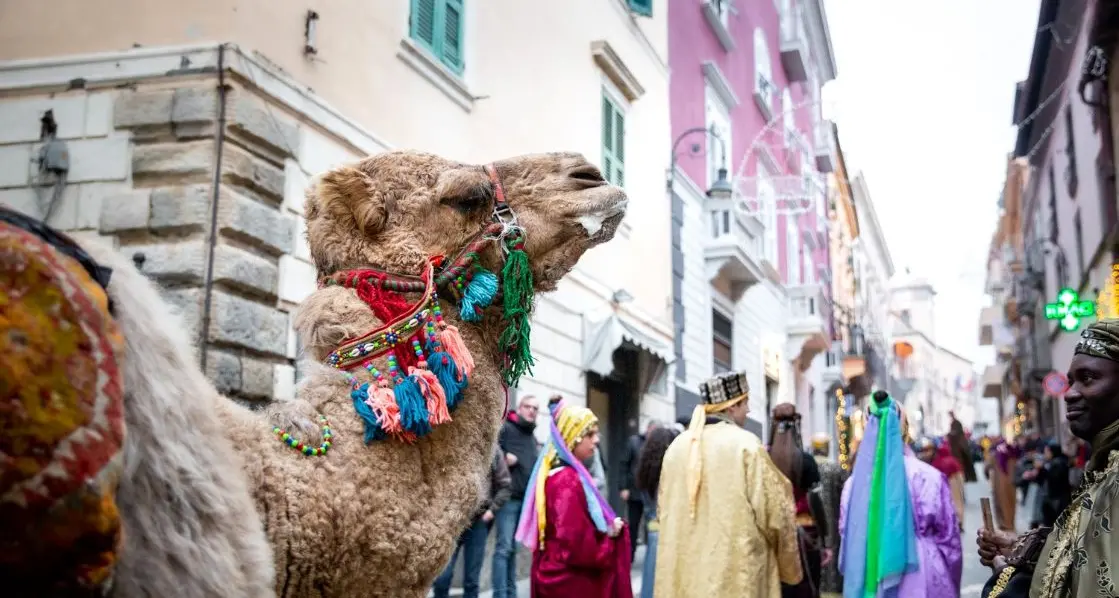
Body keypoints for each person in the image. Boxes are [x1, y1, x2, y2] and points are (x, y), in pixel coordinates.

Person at [975, 319, 1119, 597]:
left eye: (1088, 379)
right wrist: (1021, 547)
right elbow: (1081, 549)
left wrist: (1006, 580)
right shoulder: (1104, 466)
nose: (1070, 394)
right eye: (1071, 381)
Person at [654, 371, 802, 598]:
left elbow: (663, 510)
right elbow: (775, 513)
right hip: (737, 575)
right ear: (732, 407)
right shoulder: (746, 446)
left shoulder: (676, 447)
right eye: (746, 403)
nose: (749, 410)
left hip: (687, 575)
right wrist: (790, 568)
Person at [839, 391, 962, 598]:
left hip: (872, 571)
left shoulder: (853, 485)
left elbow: (846, 534)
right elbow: (949, 539)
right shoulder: (929, 476)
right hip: (925, 573)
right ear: (905, 429)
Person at [514, 396, 631, 598]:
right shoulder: (567, 480)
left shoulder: (561, 473)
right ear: (573, 436)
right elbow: (575, 542)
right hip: (569, 580)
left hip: (557, 571)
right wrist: (610, 539)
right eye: (590, 434)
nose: (596, 440)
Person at [432, 445, 512, 598]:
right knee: (442, 577)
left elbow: (505, 485)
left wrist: (491, 511)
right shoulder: (455, 445)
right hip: (452, 522)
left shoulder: (493, 450)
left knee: (472, 580)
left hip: (478, 522)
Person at [769, 404, 829, 598]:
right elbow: (815, 502)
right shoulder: (806, 461)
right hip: (805, 538)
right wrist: (825, 540)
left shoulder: (764, 458)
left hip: (774, 537)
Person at [494, 394, 540, 598]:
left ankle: (510, 594)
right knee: (504, 549)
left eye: (535, 408)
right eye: (527, 406)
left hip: (525, 501)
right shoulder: (507, 429)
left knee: (513, 549)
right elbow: (491, 452)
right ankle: (500, 595)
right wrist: (504, 457)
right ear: (519, 408)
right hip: (508, 499)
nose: (531, 410)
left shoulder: (532, 437)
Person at [635, 426, 678, 598]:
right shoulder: (667, 473)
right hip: (665, 529)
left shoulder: (645, 471)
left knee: (650, 573)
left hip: (652, 527)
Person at [810, 434, 848, 598]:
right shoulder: (835, 469)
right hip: (833, 521)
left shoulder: (807, 467)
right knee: (832, 556)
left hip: (812, 524)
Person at [622, 420, 660, 561]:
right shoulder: (634, 442)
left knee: (650, 526)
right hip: (635, 491)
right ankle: (630, 556)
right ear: (648, 429)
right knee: (633, 525)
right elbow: (624, 465)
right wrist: (623, 487)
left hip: (650, 493)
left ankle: (649, 555)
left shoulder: (657, 444)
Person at [931, 441, 967, 532]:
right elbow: (959, 475)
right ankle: (960, 522)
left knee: (946, 504)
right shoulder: (953, 461)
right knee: (957, 502)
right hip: (953, 483)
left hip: (941, 485)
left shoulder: (936, 462)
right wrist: (961, 486)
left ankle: (948, 523)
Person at [947, 413, 979, 483]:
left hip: (961, 445)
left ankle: (969, 477)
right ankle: (966, 477)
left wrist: (952, 434)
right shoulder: (953, 423)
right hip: (957, 444)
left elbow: (957, 431)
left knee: (966, 459)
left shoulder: (956, 423)